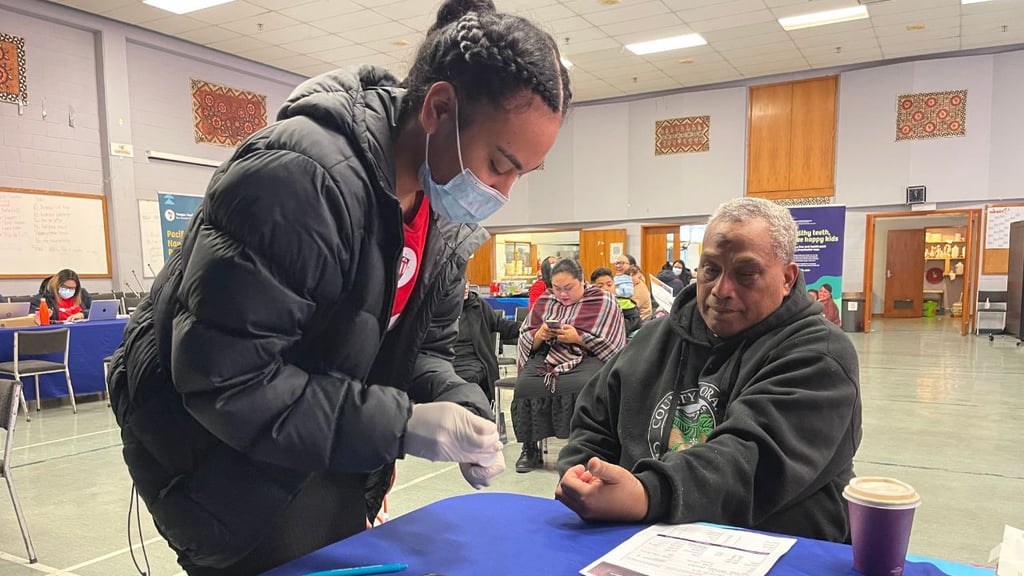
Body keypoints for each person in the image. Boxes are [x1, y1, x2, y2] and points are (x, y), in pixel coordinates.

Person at [107, 1, 572, 573]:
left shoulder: (442, 218)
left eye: (523, 172)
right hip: (219, 460)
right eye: (500, 163)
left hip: (321, 440)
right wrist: (401, 425)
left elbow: (424, 348)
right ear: (439, 109)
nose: (503, 190)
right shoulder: (298, 182)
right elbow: (227, 379)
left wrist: (458, 401)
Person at [555, 197, 861, 543]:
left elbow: (750, 459)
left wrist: (648, 493)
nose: (721, 290)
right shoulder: (652, 340)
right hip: (638, 543)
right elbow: (594, 422)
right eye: (711, 269)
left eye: (746, 274)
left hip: (773, 549)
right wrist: (583, 475)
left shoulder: (821, 355)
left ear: (787, 278)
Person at [513, 259, 625, 473]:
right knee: (525, 386)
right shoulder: (546, 300)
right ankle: (530, 448)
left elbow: (613, 345)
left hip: (588, 356)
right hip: (547, 355)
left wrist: (578, 338)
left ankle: (584, 449)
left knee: (584, 386)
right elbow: (526, 336)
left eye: (568, 288)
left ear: (582, 281)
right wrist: (540, 335)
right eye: (557, 288)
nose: (562, 294)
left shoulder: (603, 300)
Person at [454, 280, 523, 403]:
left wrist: (527, 328)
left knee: (466, 379)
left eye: (467, 283)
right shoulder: (440, 309)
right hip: (448, 359)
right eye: (460, 283)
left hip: (475, 358)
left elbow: (501, 325)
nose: (466, 287)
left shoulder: (479, 306)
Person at [590, 267, 640, 334]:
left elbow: (635, 322)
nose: (606, 288)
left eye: (609, 285)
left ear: (615, 286)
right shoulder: (589, 306)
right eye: (600, 286)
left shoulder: (625, 303)